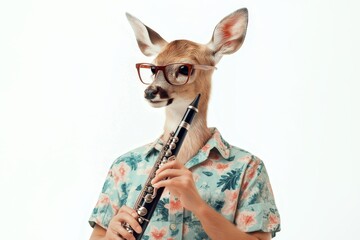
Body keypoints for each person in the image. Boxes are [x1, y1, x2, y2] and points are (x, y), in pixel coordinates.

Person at [89, 8, 281, 240]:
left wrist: (198, 206)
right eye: (155, 71)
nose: (157, 85)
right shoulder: (126, 167)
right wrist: (110, 235)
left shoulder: (247, 169)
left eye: (181, 71)